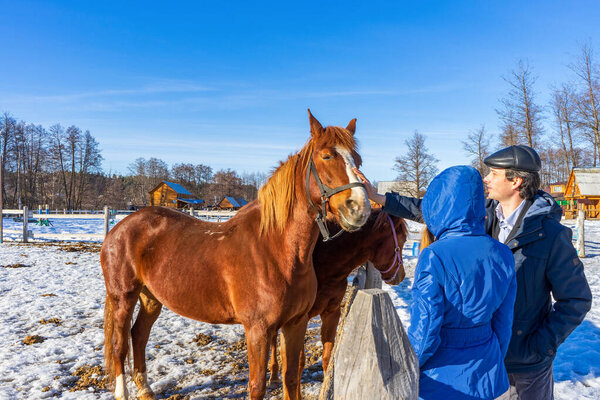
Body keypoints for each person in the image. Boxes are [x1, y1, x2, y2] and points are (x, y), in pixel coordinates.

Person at [354, 145, 593, 400]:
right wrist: (383, 199)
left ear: (516, 181)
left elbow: (576, 300)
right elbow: (439, 210)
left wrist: (540, 346)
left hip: (526, 367)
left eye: (493, 173)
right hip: (484, 359)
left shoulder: (551, 235)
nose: (486, 179)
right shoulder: (482, 217)